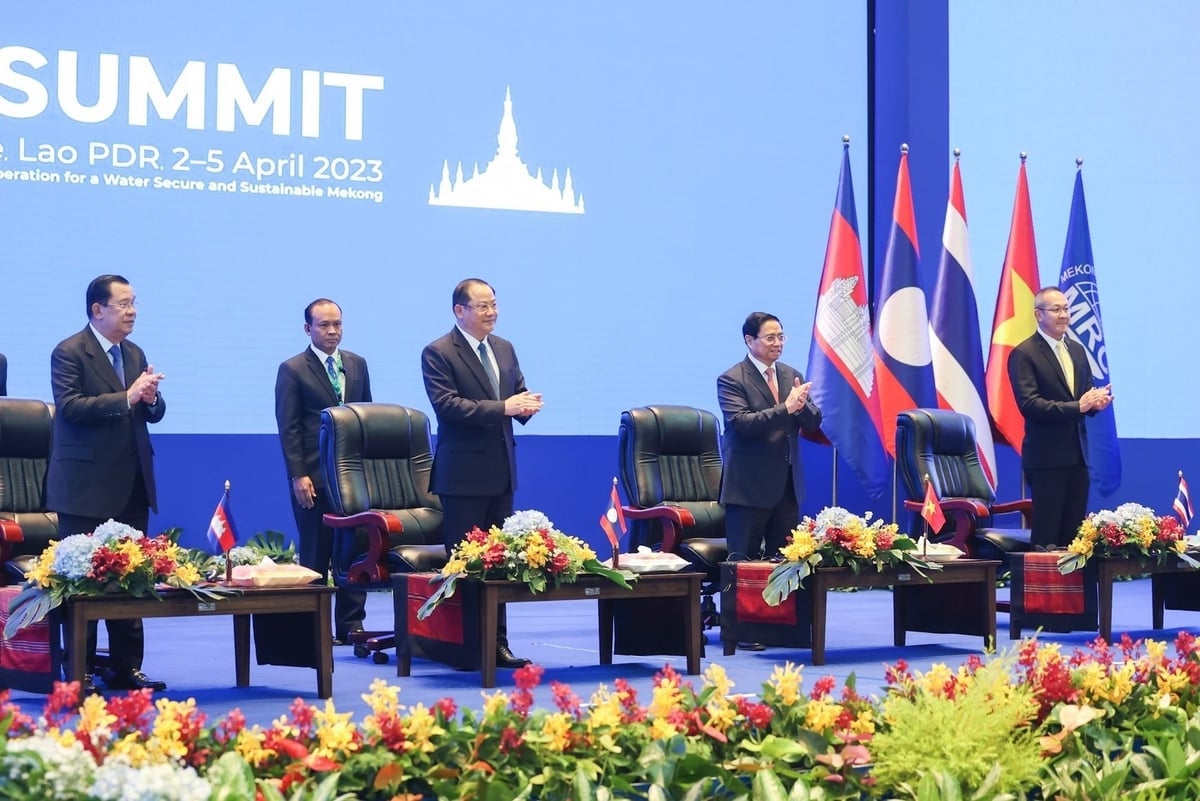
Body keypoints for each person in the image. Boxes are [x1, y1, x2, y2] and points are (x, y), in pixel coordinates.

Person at [47, 274, 167, 693]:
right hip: (85, 487)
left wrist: (151, 400)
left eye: (134, 302)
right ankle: (77, 670)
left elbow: (148, 412)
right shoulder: (69, 352)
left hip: (132, 481)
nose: (131, 311)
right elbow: (71, 408)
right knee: (82, 582)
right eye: (123, 303)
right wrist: (128, 398)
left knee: (132, 579)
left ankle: (126, 667)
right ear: (97, 309)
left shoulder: (133, 352)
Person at [421, 278, 542, 669]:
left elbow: (515, 394)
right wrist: (503, 407)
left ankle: (498, 644)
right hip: (462, 477)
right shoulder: (439, 352)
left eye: (494, 305)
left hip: (502, 472)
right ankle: (465, 646)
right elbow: (448, 406)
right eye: (483, 306)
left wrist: (524, 407)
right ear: (460, 310)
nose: (491, 312)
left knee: (499, 564)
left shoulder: (504, 348)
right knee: (466, 564)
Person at [718, 312, 823, 650]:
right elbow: (742, 423)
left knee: (786, 561)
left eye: (781, 337)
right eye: (770, 338)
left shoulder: (791, 375)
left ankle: (782, 630)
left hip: (787, 483)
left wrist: (802, 406)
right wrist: (786, 408)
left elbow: (813, 420)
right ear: (750, 341)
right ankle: (741, 634)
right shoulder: (732, 378)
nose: (777, 343)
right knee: (743, 562)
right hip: (748, 486)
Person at [275, 299, 372, 645]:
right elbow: (289, 428)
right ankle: (316, 626)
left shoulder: (357, 365)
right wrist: (297, 475)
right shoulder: (293, 369)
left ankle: (351, 625)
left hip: (353, 479)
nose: (332, 332)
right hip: (313, 477)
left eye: (337, 325)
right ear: (308, 329)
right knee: (316, 551)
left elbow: (366, 418)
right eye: (324, 326)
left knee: (355, 550)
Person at [1008, 286, 1113, 549]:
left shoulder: (1077, 350)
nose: (1064, 315)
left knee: (1074, 540)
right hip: (1046, 460)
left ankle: (1073, 591)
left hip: (1078, 458)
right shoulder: (1024, 354)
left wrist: (1095, 403)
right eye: (1056, 309)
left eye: (1066, 308)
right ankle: (1042, 590)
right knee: (1047, 540)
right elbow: (1031, 405)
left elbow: (1083, 398)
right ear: (1038, 314)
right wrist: (1079, 406)